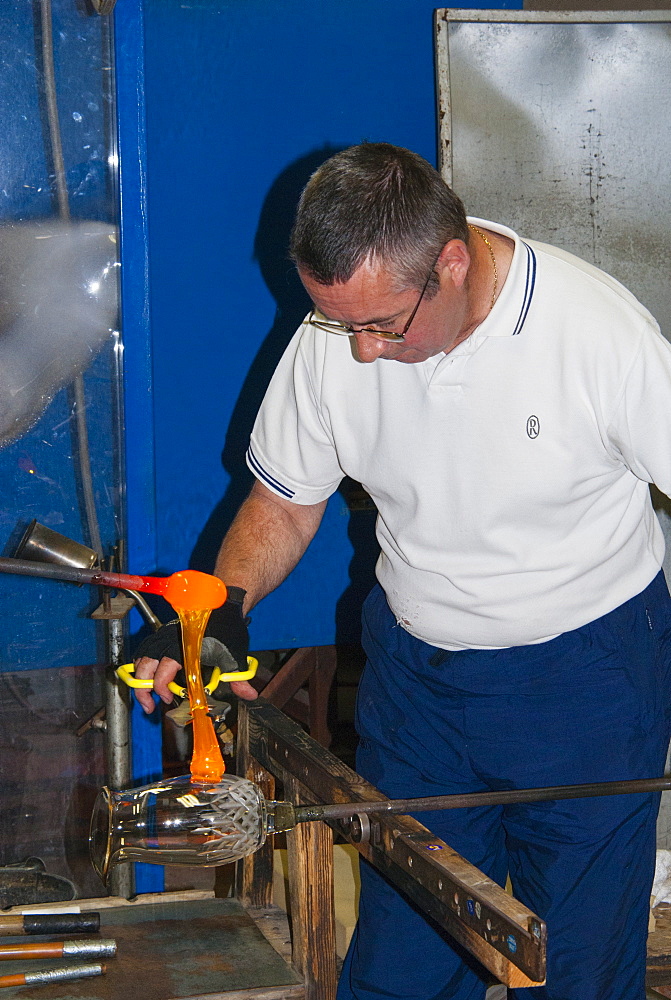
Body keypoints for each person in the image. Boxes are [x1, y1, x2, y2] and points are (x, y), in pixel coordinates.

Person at [134, 142, 671, 1000]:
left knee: (577, 961)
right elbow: (283, 502)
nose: (360, 352)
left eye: (382, 325)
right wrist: (223, 603)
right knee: (409, 950)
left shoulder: (597, 334)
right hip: (418, 681)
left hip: (585, 677)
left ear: (449, 264)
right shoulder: (336, 334)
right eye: (340, 324)